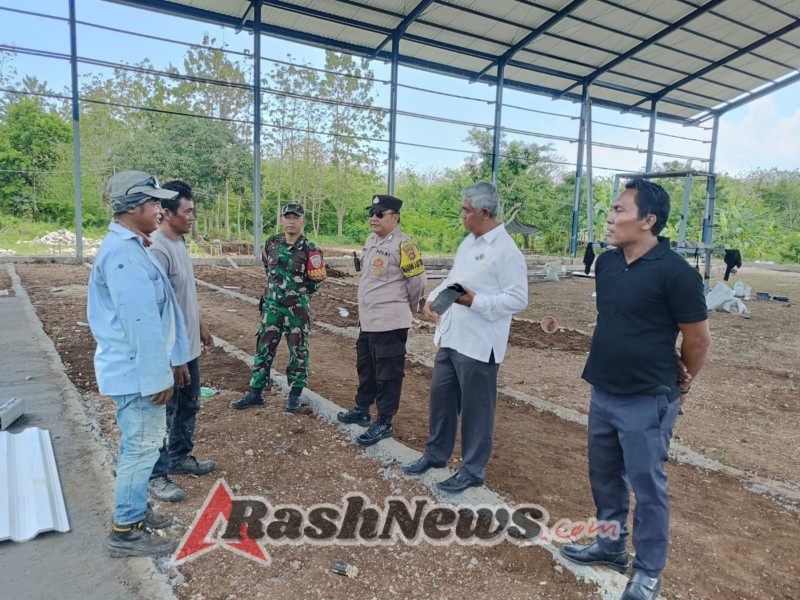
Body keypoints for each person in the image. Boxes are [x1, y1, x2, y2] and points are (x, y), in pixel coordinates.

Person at [560, 179, 711, 600]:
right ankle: (609, 546)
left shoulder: (677, 273)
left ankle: (647, 571)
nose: (609, 218)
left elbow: (698, 340)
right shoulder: (607, 263)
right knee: (605, 476)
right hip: (603, 390)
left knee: (647, 486)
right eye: (611, 210)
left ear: (648, 220)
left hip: (647, 397)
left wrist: (682, 388)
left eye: (619, 210)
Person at [87, 171, 191, 557]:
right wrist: (157, 376)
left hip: (136, 368)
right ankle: (126, 531)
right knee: (141, 447)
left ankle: (135, 511)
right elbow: (141, 321)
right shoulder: (124, 254)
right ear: (133, 207)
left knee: (141, 445)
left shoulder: (133, 246)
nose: (160, 210)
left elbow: (160, 314)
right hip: (135, 372)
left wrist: (173, 360)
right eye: (154, 203)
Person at [402, 181, 527, 493]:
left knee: (476, 409)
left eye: (466, 210)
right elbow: (453, 279)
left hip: (480, 344)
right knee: (441, 398)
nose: (462, 215)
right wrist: (434, 298)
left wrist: (476, 302)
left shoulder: (506, 251)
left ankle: (472, 470)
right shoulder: (468, 244)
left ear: (484, 212)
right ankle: (436, 454)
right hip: (452, 336)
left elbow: (518, 299)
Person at [337, 194, 426, 446]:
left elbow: (418, 283)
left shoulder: (404, 246)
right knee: (366, 368)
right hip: (368, 321)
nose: (373, 218)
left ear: (395, 217)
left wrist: (404, 308)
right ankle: (362, 409)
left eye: (379, 214)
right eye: (371, 213)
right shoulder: (371, 240)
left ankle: (385, 422)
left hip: (390, 322)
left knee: (388, 374)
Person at [147, 181, 216, 503]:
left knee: (189, 404)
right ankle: (156, 474)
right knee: (165, 412)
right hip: (171, 353)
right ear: (167, 212)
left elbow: (183, 296)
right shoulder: (158, 249)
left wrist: (199, 326)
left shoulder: (178, 242)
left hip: (187, 348)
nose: (192, 217)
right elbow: (156, 308)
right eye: (187, 211)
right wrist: (173, 357)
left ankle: (179, 456)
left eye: (193, 211)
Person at [233, 203, 326, 412]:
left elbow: (316, 281)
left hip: (296, 311)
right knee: (263, 349)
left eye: (296, 217)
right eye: (288, 217)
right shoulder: (272, 242)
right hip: (272, 308)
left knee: (298, 351)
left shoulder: (310, 249)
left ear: (303, 221)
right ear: (282, 220)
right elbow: (268, 269)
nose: (291, 221)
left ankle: (295, 395)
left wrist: (297, 295)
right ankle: (256, 392)